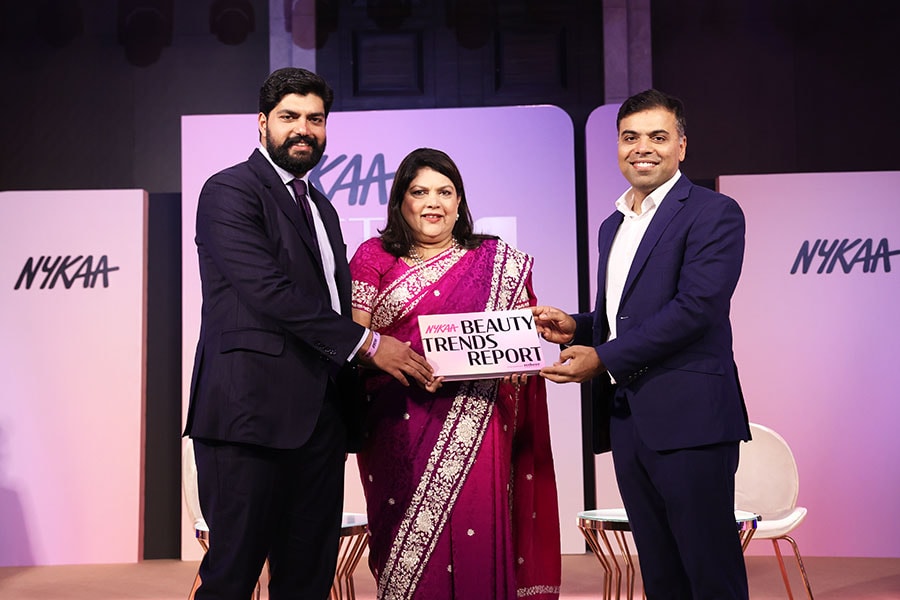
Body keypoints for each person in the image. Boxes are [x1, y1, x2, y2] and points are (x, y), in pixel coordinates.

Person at [183, 68, 434, 600]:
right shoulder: (229, 190)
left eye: (315, 119)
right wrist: (368, 345)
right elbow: (270, 293)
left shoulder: (321, 208)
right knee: (233, 572)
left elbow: (332, 304)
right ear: (262, 123)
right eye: (290, 117)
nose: (304, 129)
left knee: (307, 577)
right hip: (247, 418)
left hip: (319, 419)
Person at [533, 89, 751, 600]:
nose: (642, 148)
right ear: (617, 146)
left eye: (658, 136)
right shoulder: (615, 223)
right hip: (631, 420)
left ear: (681, 145)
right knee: (660, 569)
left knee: (709, 569)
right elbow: (627, 315)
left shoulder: (713, 212)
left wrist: (602, 357)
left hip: (692, 421)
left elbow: (695, 309)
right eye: (630, 137)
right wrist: (580, 327)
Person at [348, 147, 561, 600]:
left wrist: (519, 367)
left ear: (460, 201)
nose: (433, 203)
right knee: (403, 547)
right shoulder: (374, 256)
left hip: (477, 423)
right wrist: (393, 358)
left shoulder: (495, 259)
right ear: (400, 201)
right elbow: (354, 340)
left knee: (476, 532)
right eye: (419, 191)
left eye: (445, 192)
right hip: (396, 423)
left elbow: (516, 341)